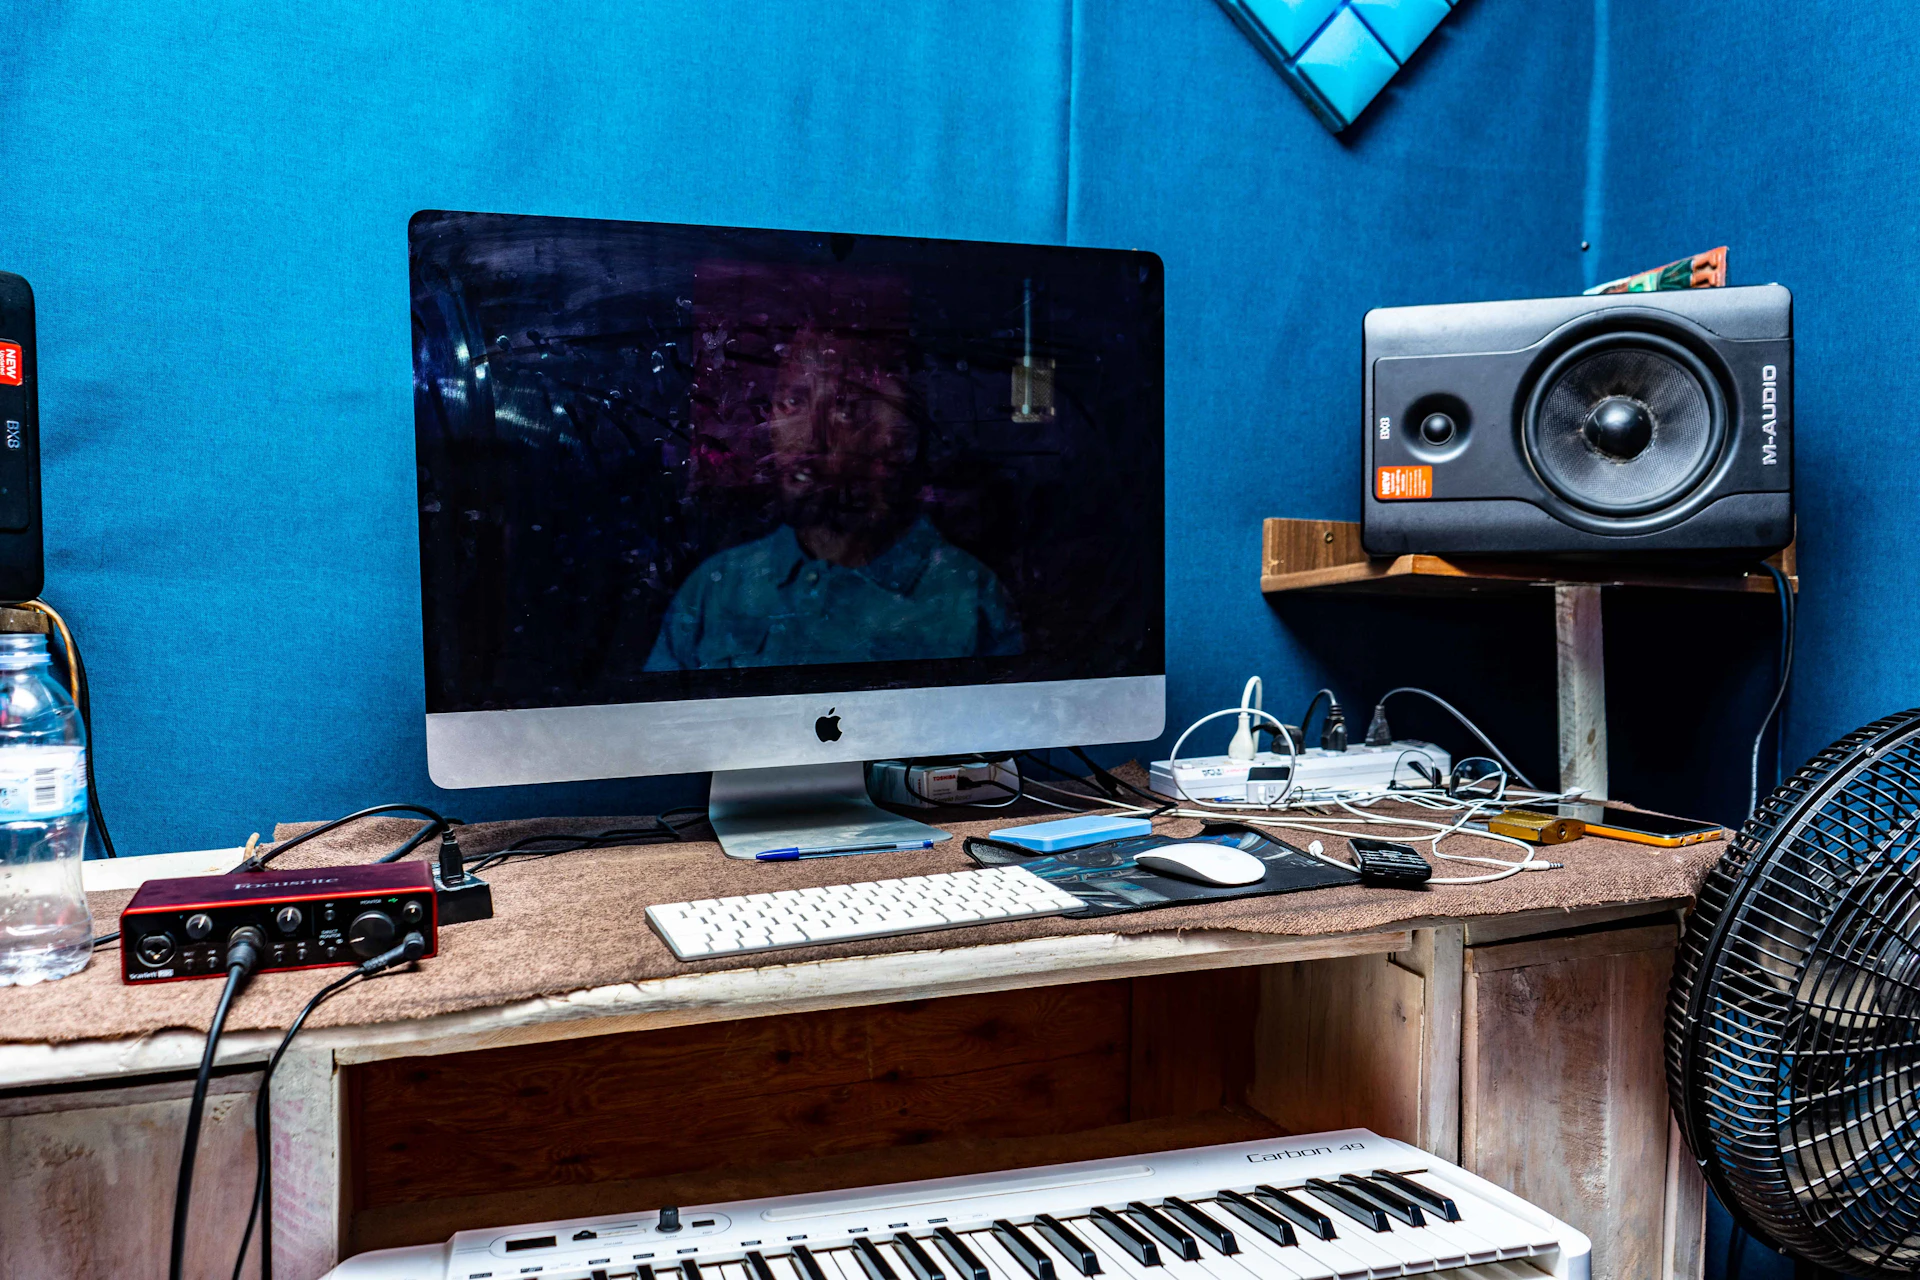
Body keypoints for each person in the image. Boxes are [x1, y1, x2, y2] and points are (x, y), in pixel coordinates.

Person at [646, 326, 1022, 670]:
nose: (809, 435)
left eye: (845, 408)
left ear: (896, 437)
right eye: (792, 402)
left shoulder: (968, 594)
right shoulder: (717, 587)